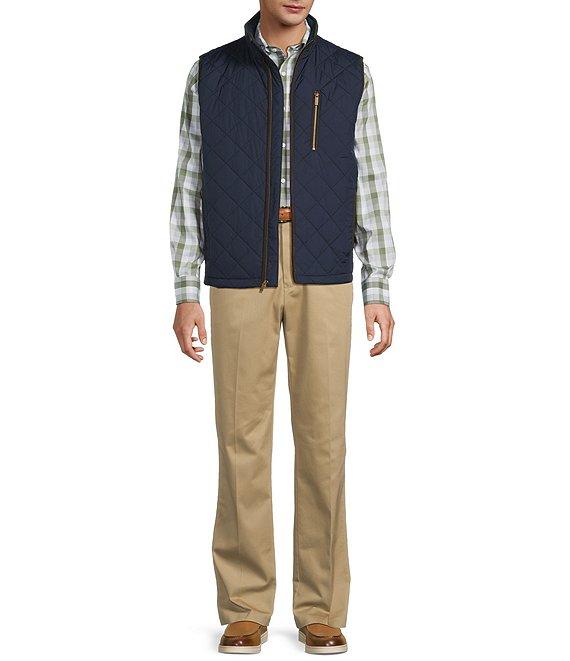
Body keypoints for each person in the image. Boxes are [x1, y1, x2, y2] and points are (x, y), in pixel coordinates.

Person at [170, 0, 395, 654]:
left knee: (323, 439)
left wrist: (378, 283)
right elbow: (189, 180)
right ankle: (244, 604)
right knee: (240, 438)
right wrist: (185, 287)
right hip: (239, 264)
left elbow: (371, 177)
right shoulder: (211, 73)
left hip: (323, 264)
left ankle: (320, 606)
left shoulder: (349, 71)